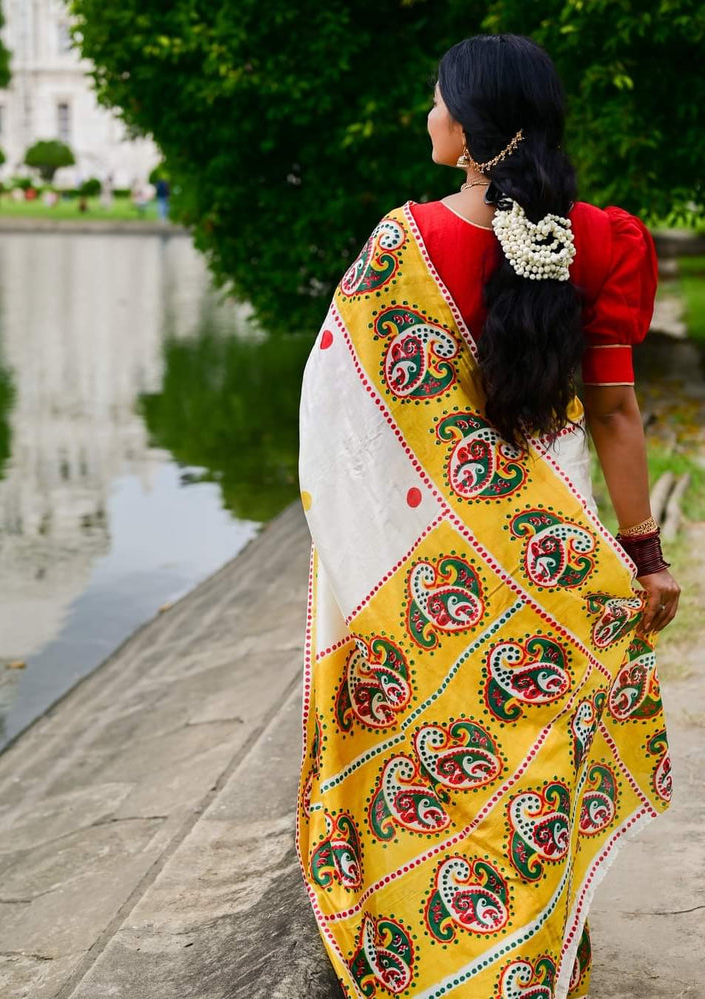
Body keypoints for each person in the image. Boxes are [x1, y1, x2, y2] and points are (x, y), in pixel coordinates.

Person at [296, 33, 679, 999]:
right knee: (538, 780)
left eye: (436, 101)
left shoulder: (404, 245)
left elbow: (341, 419)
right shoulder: (604, 239)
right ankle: (545, 967)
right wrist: (645, 555)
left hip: (440, 582)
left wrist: (363, 552)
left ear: (466, 126)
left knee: (450, 774)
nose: (428, 117)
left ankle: (455, 968)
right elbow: (617, 412)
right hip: (563, 567)